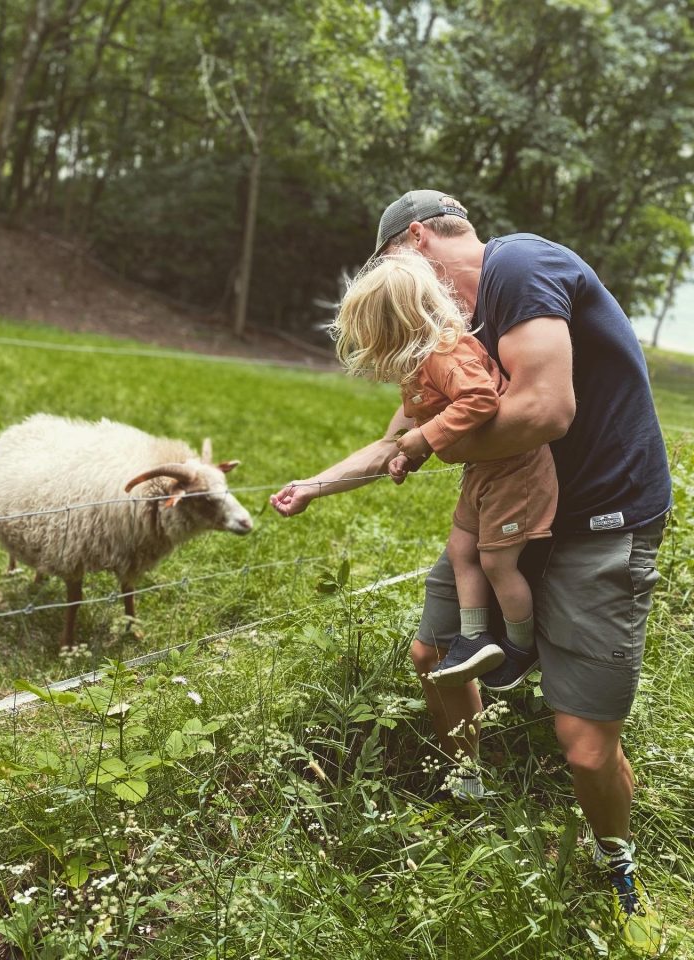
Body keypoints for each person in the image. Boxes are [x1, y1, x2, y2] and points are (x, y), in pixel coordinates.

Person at [270, 190, 671, 954]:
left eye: (390, 266)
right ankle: (470, 777)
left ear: (415, 239)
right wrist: (316, 484)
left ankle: (614, 854)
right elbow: (400, 436)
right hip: (512, 517)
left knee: (585, 743)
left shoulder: (516, 266)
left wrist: (427, 447)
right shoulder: (448, 328)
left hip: (601, 522)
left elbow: (546, 411)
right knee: (433, 657)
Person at [331, 251, 558, 687]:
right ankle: (474, 639)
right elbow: (433, 421)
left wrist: (425, 439)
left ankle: (520, 647)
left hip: (516, 471)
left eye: (375, 336)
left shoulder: (444, 354)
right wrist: (409, 453)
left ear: (397, 325)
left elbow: (480, 401)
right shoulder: (420, 365)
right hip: (483, 472)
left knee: (496, 562)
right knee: (460, 551)